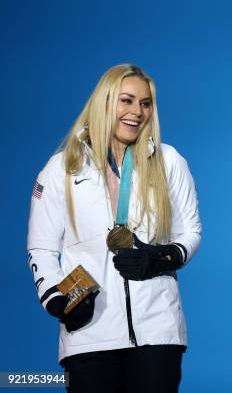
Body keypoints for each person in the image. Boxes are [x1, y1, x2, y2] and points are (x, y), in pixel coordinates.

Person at [27, 64, 202, 392]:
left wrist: (161, 257)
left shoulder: (169, 161)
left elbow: (189, 232)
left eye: (145, 103)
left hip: (158, 332)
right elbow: (42, 248)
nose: (137, 112)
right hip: (88, 336)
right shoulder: (60, 169)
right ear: (104, 103)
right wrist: (55, 299)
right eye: (127, 100)